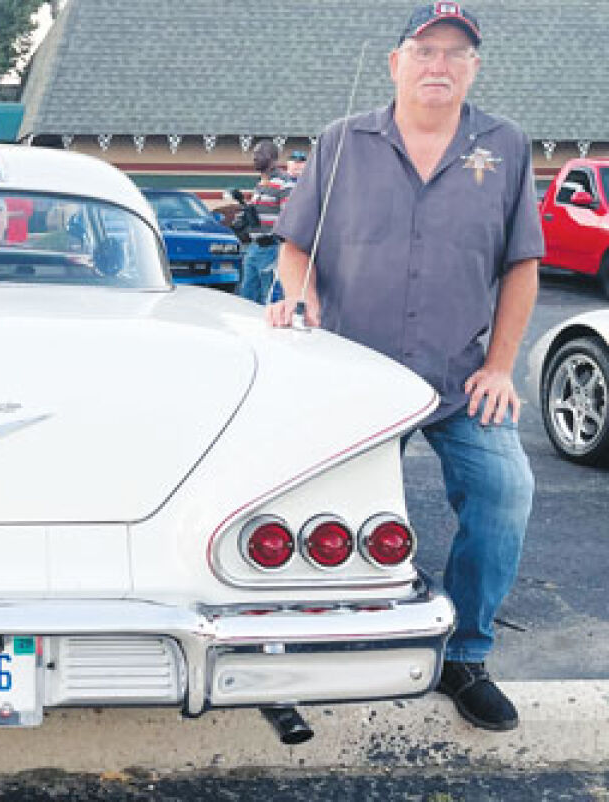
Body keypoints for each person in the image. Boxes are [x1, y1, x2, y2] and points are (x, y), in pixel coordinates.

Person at [268, 4, 542, 732]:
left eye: (456, 53)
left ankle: (465, 656)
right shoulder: (341, 143)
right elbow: (295, 249)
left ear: (474, 68)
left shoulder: (504, 145)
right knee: (299, 505)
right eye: (425, 50)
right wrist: (299, 299)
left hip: (457, 382)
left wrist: (501, 366)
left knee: (506, 490)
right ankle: (290, 654)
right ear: (397, 61)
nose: (439, 65)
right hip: (354, 381)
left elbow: (522, 266)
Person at [235, 139, 293, 304]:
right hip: (254, 248)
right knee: (246, 298)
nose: (254, 157)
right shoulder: (260, 183)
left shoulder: (283, 183)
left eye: (259, 154)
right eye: (254, 154)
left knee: (267, 299)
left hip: (271, 249)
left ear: (273, 158)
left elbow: (288, 218)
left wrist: (277, 241)